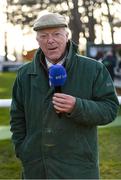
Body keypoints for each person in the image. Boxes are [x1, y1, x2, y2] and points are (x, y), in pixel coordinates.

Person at [10, 12, 119, 179]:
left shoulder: (93, 69)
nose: (50, 40)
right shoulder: (24, 74)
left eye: (56, 34)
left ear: (67, 36)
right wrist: (23, 150)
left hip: (78, 169)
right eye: (43, 36)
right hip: (37, 169)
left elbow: (110, 109)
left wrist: (77, 106)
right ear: (37, 40)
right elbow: (17, 117)